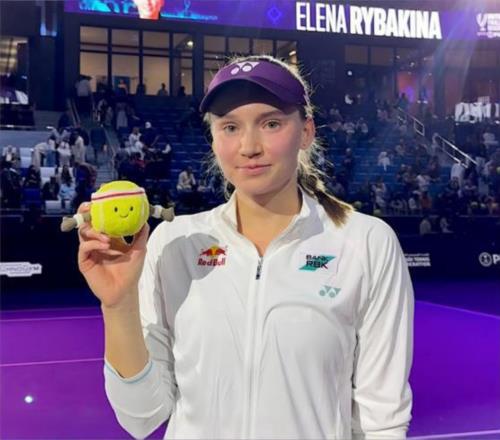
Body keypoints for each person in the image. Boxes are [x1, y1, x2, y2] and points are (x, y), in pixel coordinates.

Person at [76, 55, 414, 439]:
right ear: (214, 138)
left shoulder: (366, 243)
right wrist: (118, 305)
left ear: (306, 132)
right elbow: (141, 416)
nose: (249, 146)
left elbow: (382, 420)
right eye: (230, 127)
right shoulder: (175, 243)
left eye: (271, 123)